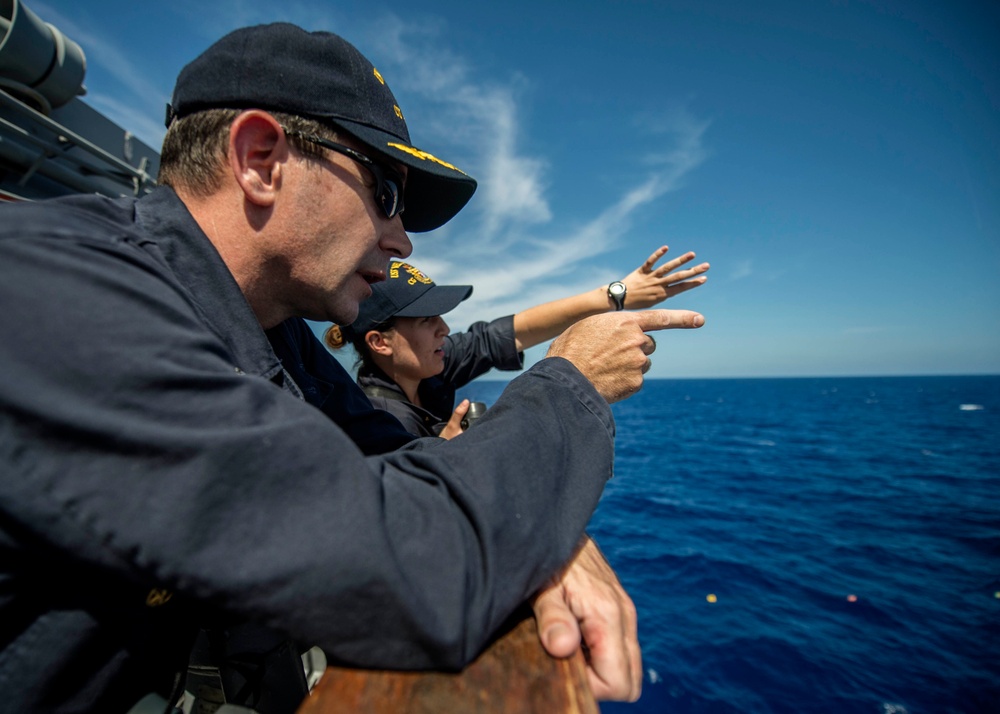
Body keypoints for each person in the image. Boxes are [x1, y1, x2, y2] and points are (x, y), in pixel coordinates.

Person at [0, 22, 705, 713]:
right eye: (387, 194)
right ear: (260, 159)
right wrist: (573, 380)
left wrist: (553, 535)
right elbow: (417, 563)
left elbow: (394, 455)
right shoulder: (56, 294)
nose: (399, 239)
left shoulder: (270, 329)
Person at [325, 249, 709, 437]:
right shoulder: (379, 425)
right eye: (428, 321)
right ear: (380, 342)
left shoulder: (429, 368)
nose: (444, 329)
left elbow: (506, 333)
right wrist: (446, 458)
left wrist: (615, 296)